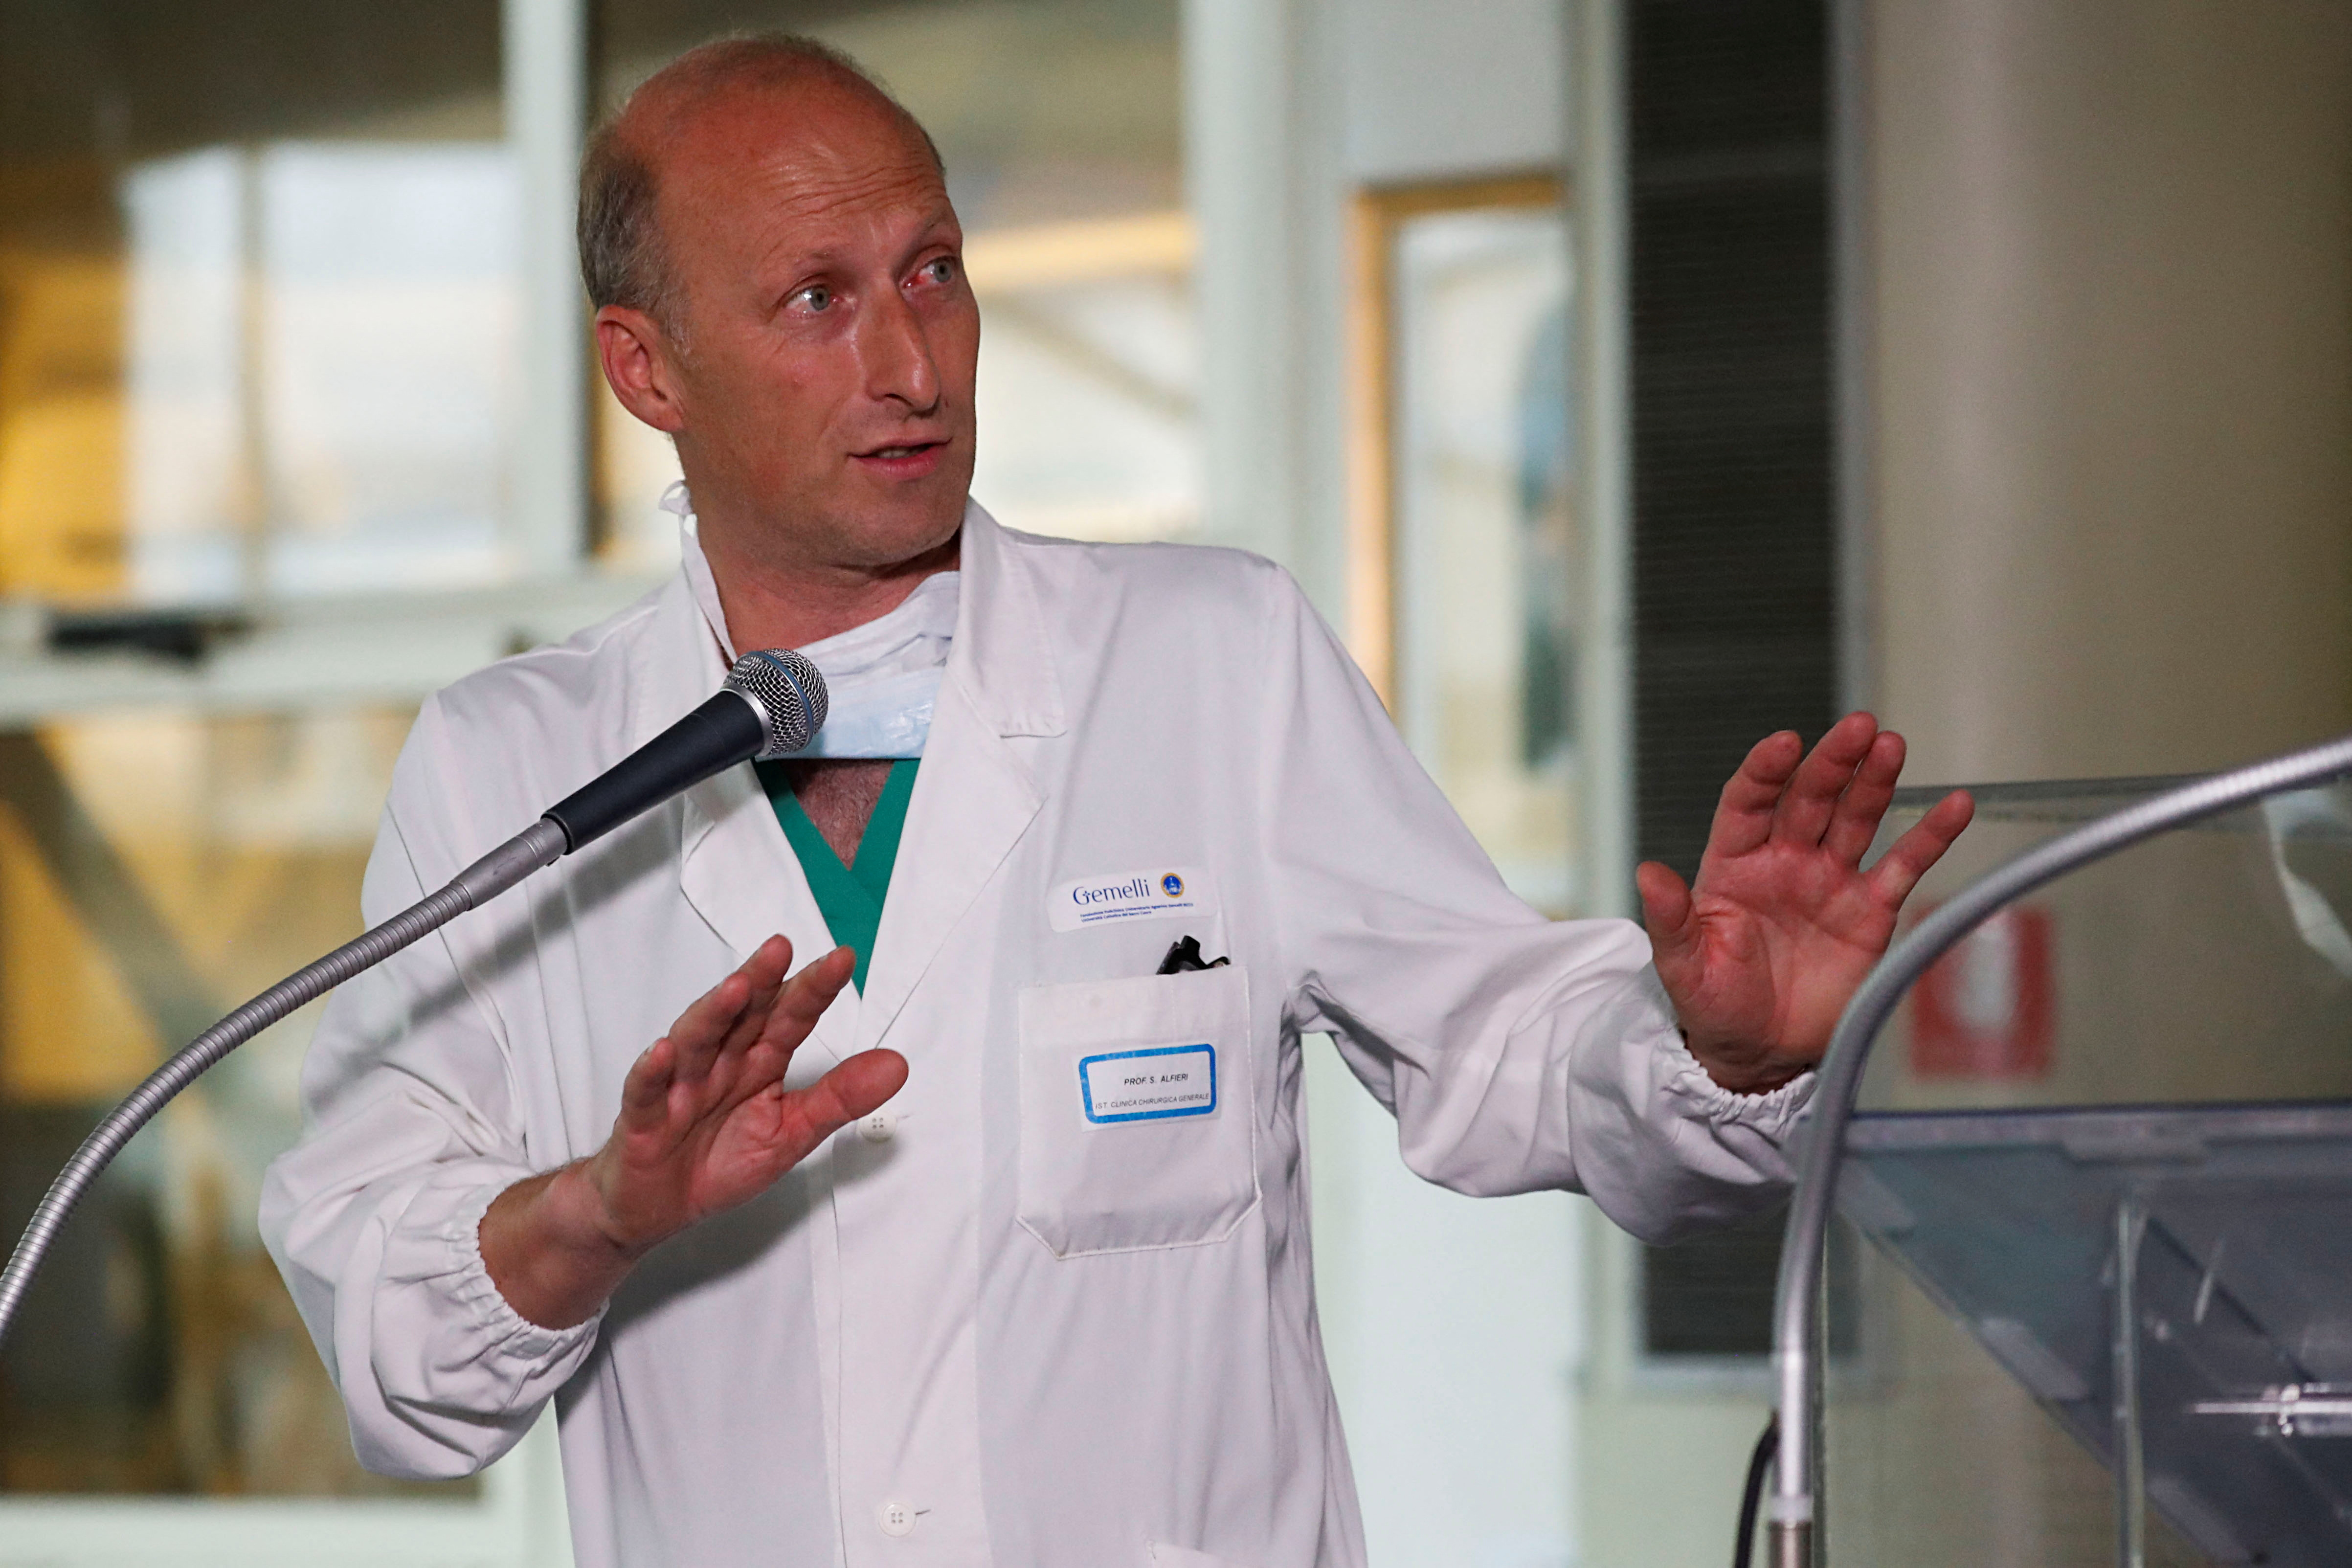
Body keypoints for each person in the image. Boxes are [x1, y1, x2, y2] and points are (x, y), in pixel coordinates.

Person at [260, 34, 1971, 1568]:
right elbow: (398, 1367)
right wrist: (603, 1210)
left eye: (933, 269)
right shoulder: (515, 768)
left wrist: (1719, 1049)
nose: (914, 362)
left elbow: (1511, 1050)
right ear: (647, 370)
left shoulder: (1207, 660)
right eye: (815, 299)